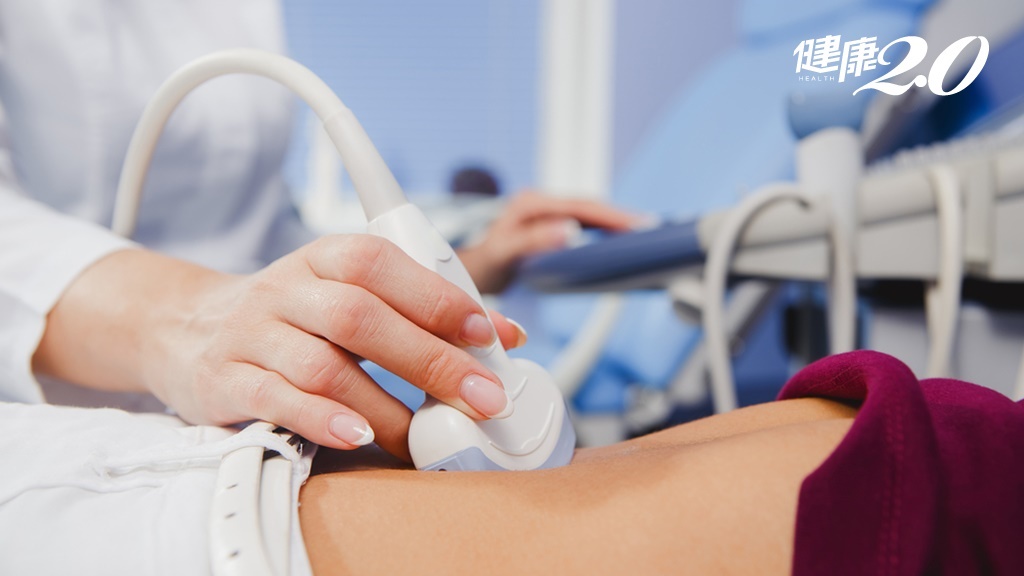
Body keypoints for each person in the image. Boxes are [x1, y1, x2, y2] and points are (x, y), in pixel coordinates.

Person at [0, 1, 635, 460]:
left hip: (266, 405)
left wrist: (464, 266)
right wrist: (181, 323)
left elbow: (265, 229)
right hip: (69, 417)